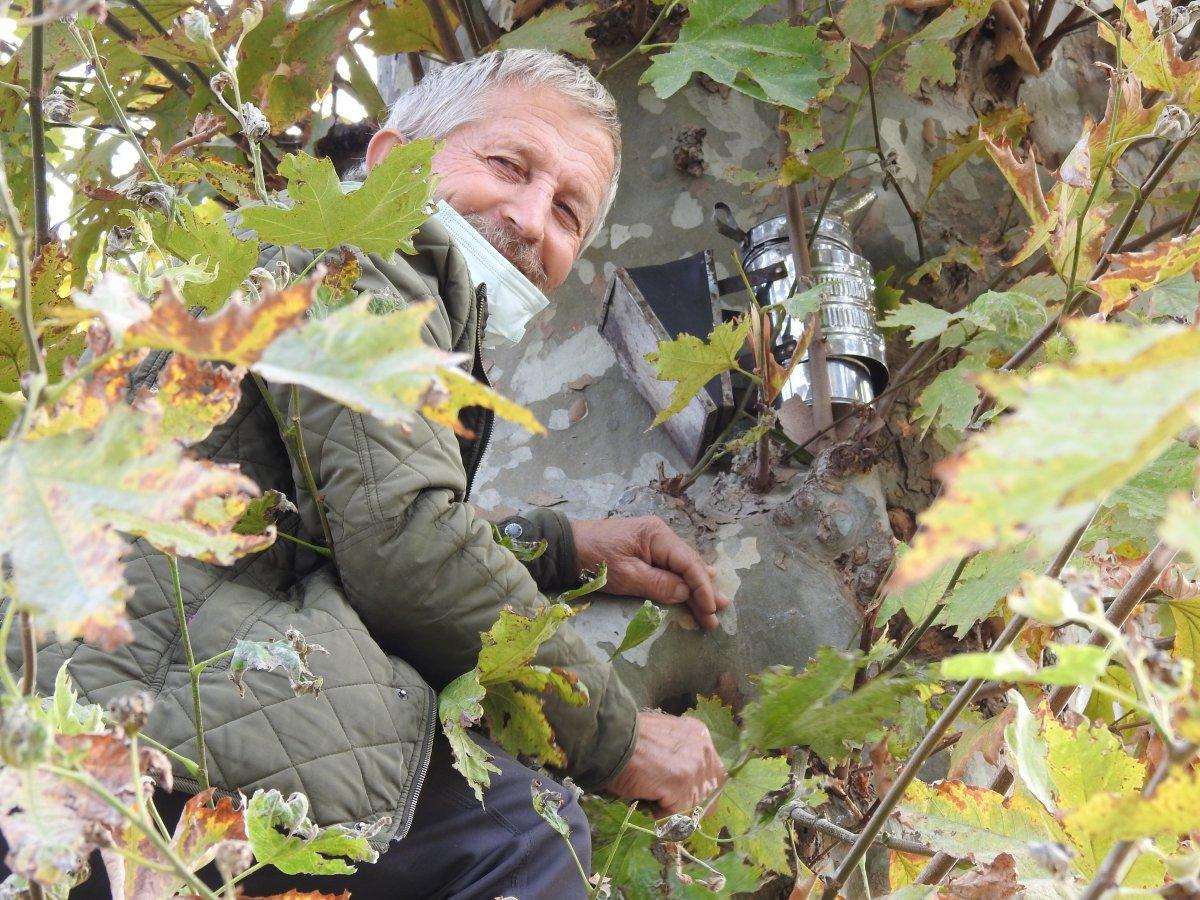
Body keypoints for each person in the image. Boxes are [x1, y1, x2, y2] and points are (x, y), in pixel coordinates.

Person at [6, 49, 729, 898]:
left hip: (84, 685)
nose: (533, 219)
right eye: (507, 165)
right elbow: (404, 548)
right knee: (525, 840)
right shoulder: (361, 256)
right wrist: (615, 739)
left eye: (569, 211)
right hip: (125, 705)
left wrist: (555, 548)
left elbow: (335, 530)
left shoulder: (332, 275)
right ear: (390, 162)